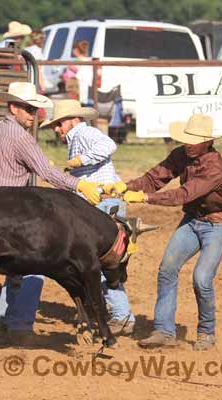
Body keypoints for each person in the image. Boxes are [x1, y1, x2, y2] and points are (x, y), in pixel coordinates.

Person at [0, 82, 101, 340]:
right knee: (35, 265)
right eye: (28, 109)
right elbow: (46, 172)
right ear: (13, 107)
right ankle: (19, 325)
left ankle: (3, 317)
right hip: (11, 211)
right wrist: (79, 183)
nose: (33, 114)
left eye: (34, 109)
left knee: (12, 267)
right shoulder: (20, 137)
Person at [109, 114, 222, 351]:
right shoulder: (181, 154)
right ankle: (164, 331)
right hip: (193, 220)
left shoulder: (215, 168)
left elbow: (184, 195)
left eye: (194, 140)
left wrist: (145, 198)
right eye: (187, 139)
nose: (188, 143)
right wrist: (126, 186)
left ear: (207, 142)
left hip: (217, 224)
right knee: (167, 269)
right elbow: (155, 177)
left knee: (202, 279)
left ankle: (206, 332)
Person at [40, 99, 136, 335]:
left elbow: (109, 145)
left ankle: (121, 315)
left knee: (101, 263)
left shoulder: (83, 133)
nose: (57, 129)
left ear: (74, 120)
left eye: (60, 123)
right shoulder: (78, 137)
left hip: (103, 206)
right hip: (101, 206)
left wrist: (80, 161)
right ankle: (110, 312)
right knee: (100, 263)